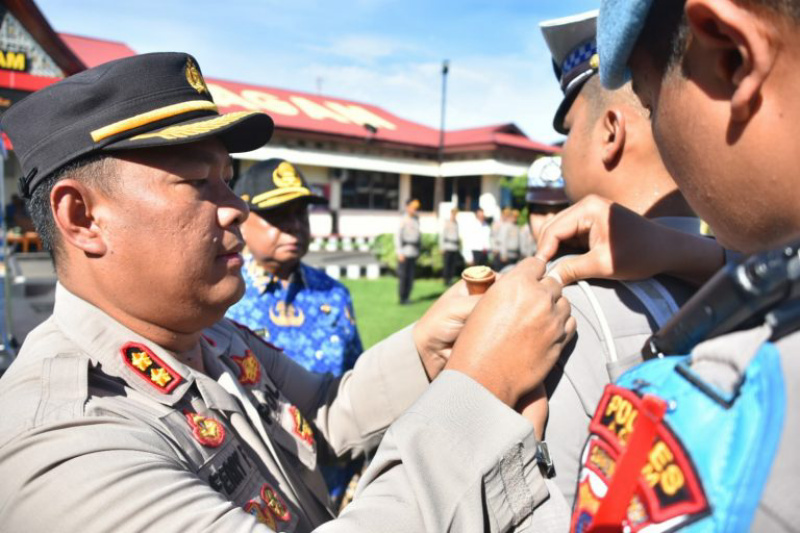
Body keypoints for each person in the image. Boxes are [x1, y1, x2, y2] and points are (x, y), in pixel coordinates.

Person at [0, 52, 576, 532]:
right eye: (199, 182)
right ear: (81, 217)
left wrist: (429, 346)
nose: (236, 208)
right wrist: (480, 390)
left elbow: (323, 414)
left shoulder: (211, 339)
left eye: (228, 179)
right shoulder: (64, 439)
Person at [536, 0, 800, 528]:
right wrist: (698, 255)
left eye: (652, 104)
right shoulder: (734, 269)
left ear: (732, 59)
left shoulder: (571, 313)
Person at [529, 9, 707, 505]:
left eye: (568, 133)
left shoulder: (566, 311)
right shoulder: (758, 277)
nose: (561, 154)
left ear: (610, 131)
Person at [225, 158, 364, 503]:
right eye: (278, 216)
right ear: (241, 220)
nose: (294, 227)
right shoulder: (225, 295)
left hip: (335, 480)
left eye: (301, 214)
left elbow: (355, 376)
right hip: (262, 488)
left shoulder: (332, 293)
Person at [394, 198, 421, 304]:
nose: (414, 210)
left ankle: (408, 297)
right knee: (403, 276)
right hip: (404, 252)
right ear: (407, 207)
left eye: (415, 208)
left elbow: (419, 236)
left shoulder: (416, 219)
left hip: (413, 251)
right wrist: (399, 252)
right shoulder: (403, 219)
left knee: (411, 276)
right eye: (412, 208)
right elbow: (397, 237)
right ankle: (402, 297)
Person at [439, 206, 461, 285]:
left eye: (456, 213)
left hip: (454, 247)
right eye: (454, 213)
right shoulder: (447, 223)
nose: (455, 215)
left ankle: (450, 279)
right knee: (447, 265)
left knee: (452, 265)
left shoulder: (456, 223)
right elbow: (442, 236)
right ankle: (446, 280)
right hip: (448, 246)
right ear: (451, 213)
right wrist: (442, 247)